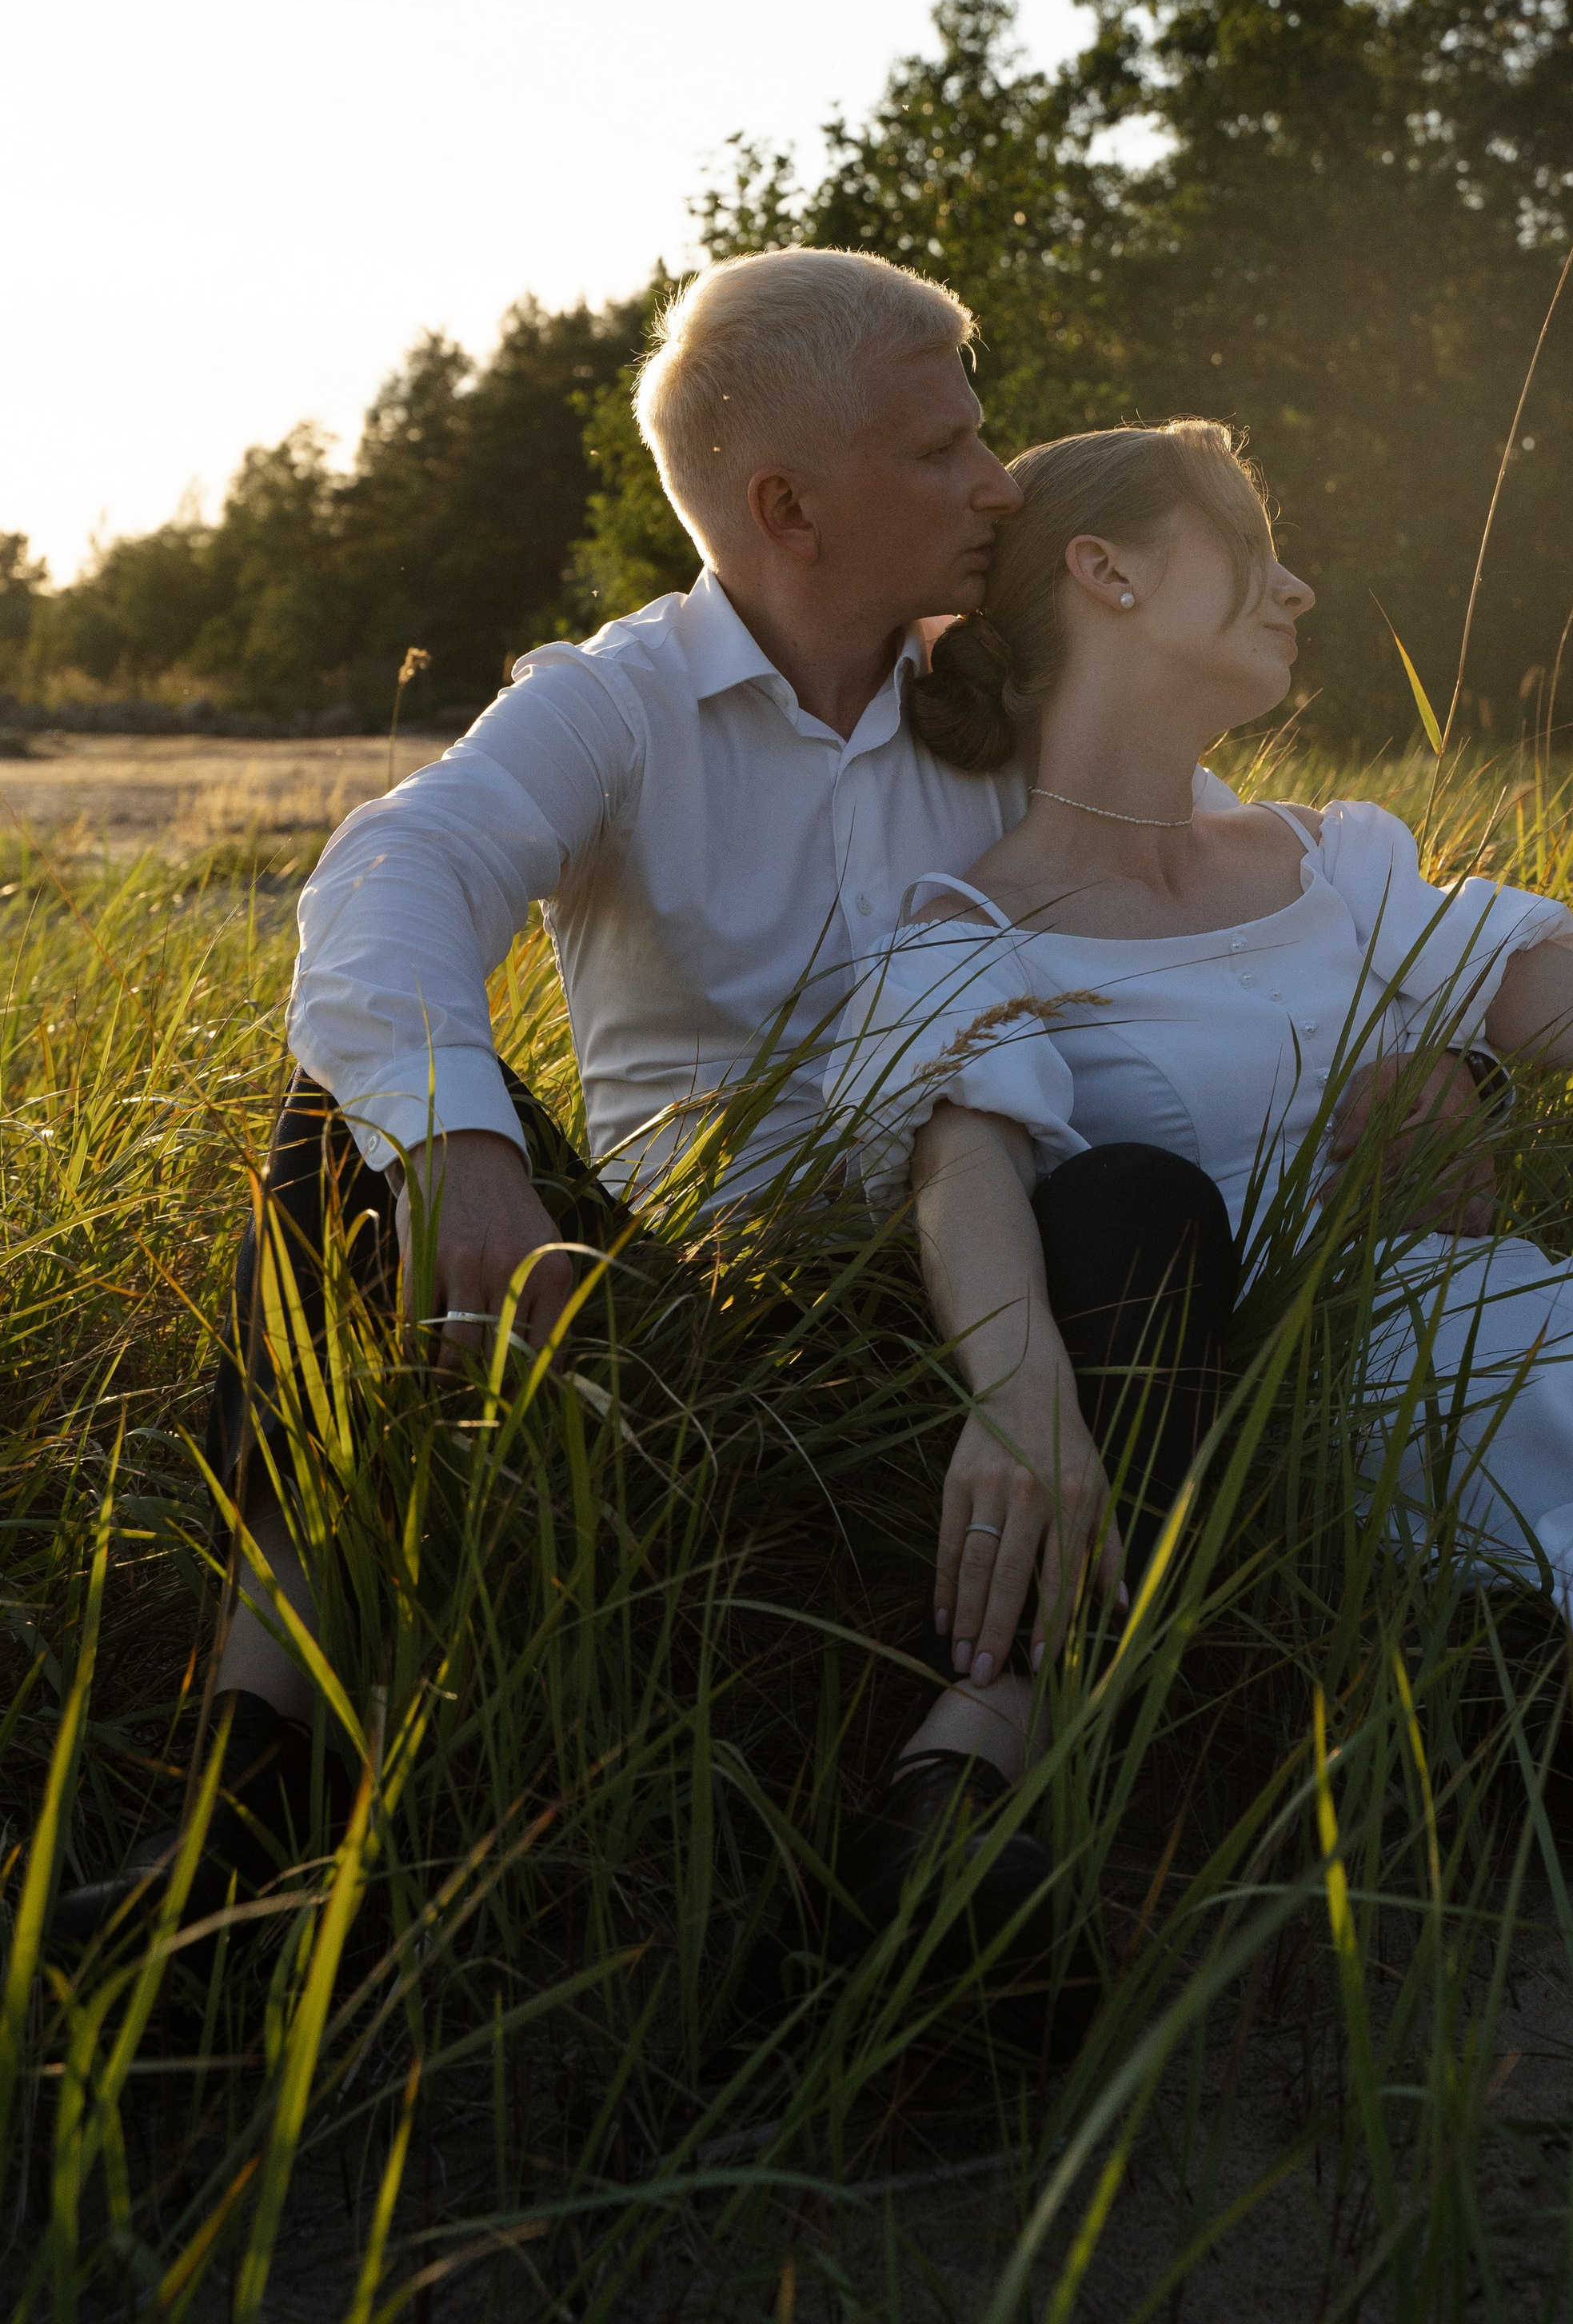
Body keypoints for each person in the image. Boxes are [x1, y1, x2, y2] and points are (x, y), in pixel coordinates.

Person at [55, 256, 1371, 1958]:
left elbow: (1231, 897)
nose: (998, 483)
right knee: (336, 1123)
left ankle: (963, 1823)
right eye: (944, 450)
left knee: (1139, 1202)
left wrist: (1437, 1060)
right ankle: (245, 1837)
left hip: (965, 1317)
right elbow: (402, 867)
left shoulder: (995, 710)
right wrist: (460, 1145)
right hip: (654, 1338)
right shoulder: (615, 703)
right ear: (786, 505)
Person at [825, 417, 1573, 1859]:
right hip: (1350, 1388)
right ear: (1107, 572)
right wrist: (1015, 1397)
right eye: (1250, 544)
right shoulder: (972, 930)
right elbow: (963, 1173)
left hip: (1514, 1306)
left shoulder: (1333, 857)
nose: (1297, 591)